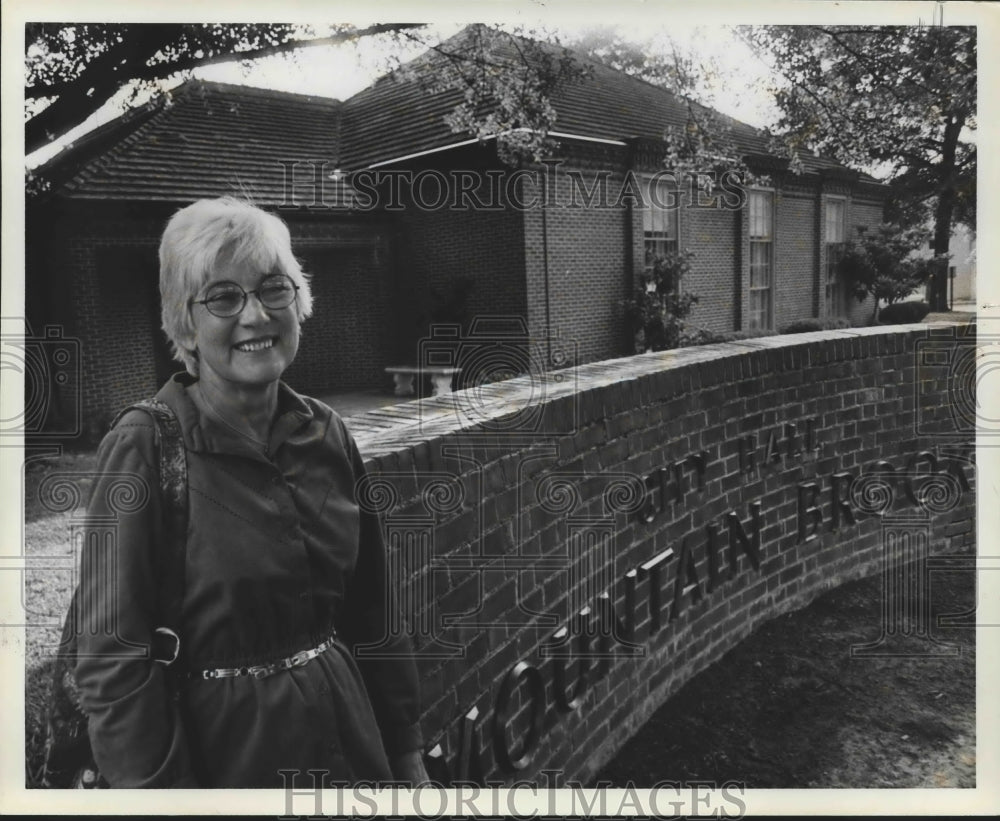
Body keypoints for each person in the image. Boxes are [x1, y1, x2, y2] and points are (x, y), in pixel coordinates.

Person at [74, 197, 428, 788]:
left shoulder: (326, 432)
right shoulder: (143, 446)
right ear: (184, 321)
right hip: (227, 761)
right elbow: (113, 666)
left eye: (273, 289)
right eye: (223, 297)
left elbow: (372, 610)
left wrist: (407, 753)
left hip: (351, 746)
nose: (256, 315)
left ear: (299, 300)